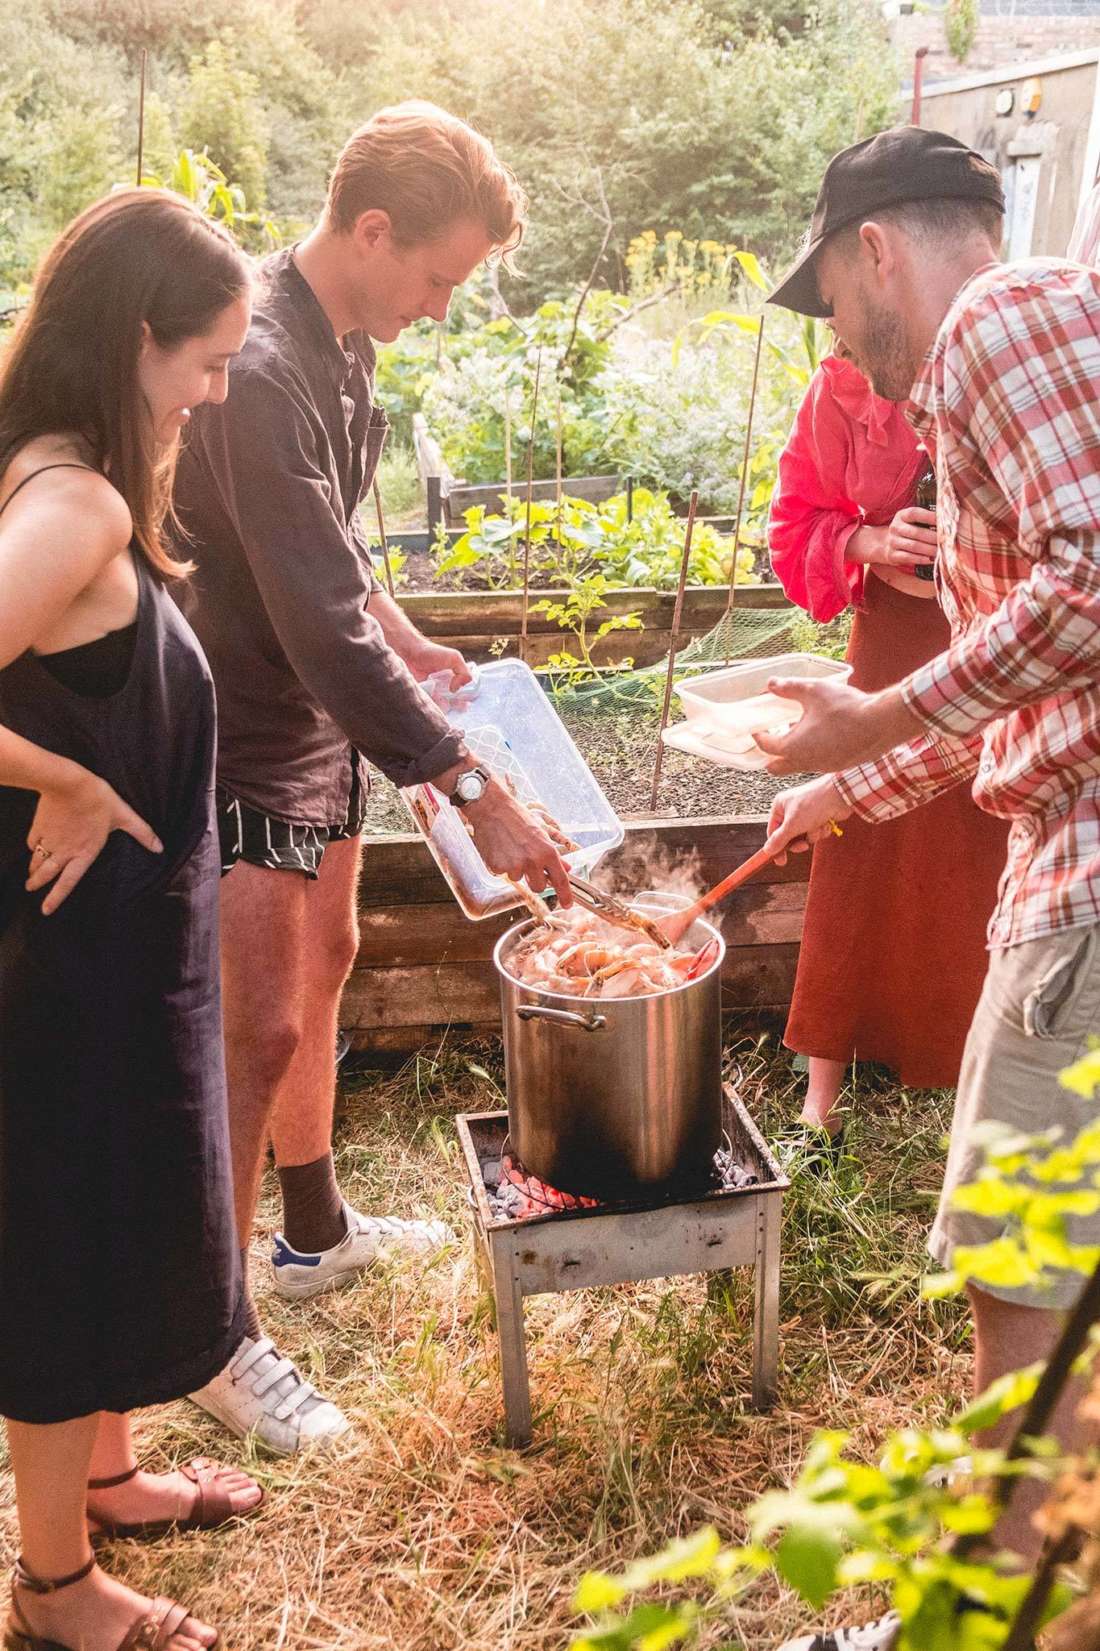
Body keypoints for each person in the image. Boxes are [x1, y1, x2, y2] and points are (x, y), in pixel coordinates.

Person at [173, 101, 573, 1455]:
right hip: (239, 720)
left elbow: (338, 553)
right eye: (438, 277)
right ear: (371, 229)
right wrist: (466, 780)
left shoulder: (343, 347)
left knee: (333, 952)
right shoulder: (270, 361)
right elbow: (309, 616)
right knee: (255, 1029)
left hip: (318, 704)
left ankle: (315, 1232)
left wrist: (419, 649)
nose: (444, 306)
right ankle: (213, 1332)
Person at [759, 125, 1100, 1651]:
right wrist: (840, 785)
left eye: (831, 297)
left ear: (875, 249)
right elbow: (1022, 692)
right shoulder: (1046, 327)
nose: (842, 335)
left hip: (1085, 895)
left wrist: (875, 718)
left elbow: (1093, 580)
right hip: (1066, 857)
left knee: (1023, 1287)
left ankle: (980, 1625)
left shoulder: (998, 320)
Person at [0, 190, 264, 1651]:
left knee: (110, 1227)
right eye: (205, 362)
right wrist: (65, 776)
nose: (218, 392)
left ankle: (102, 1475)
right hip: (69, 968)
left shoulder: (72, 473)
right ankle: (53, 1590)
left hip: (124, 945)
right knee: (61, 1249)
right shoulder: (71, 501)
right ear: (134, 340)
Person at [768, 337, 1006, 1152]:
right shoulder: (835, 391)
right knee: (860, 843)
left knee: (982, 837)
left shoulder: (985, 364)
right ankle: (821, 1097)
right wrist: (870, 544)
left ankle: (979, 1066)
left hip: (991, 624)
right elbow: (791, 525)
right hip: (894, 636)